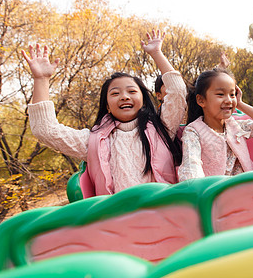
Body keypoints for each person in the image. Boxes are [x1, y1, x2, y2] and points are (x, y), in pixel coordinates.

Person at [23, 30, 187, 197]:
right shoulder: (94, 141)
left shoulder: (163, 127)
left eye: (131, 91)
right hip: (119, 219)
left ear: (143, 100)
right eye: (115, 94)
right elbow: (45, 130)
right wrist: (41, 80)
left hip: (164, 214)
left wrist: (156, 53)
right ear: (107, 106)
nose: (124, 96)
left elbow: (178, 92)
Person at [178, 68, 253, 182]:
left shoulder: (236, 127)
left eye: (232, 94)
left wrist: (240, 104)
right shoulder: (194, 131)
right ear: (201, 100)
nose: (229, 100)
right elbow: (191, 165)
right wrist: (199, 189)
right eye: (221, 94)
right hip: (216, 192)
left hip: (248, 186)